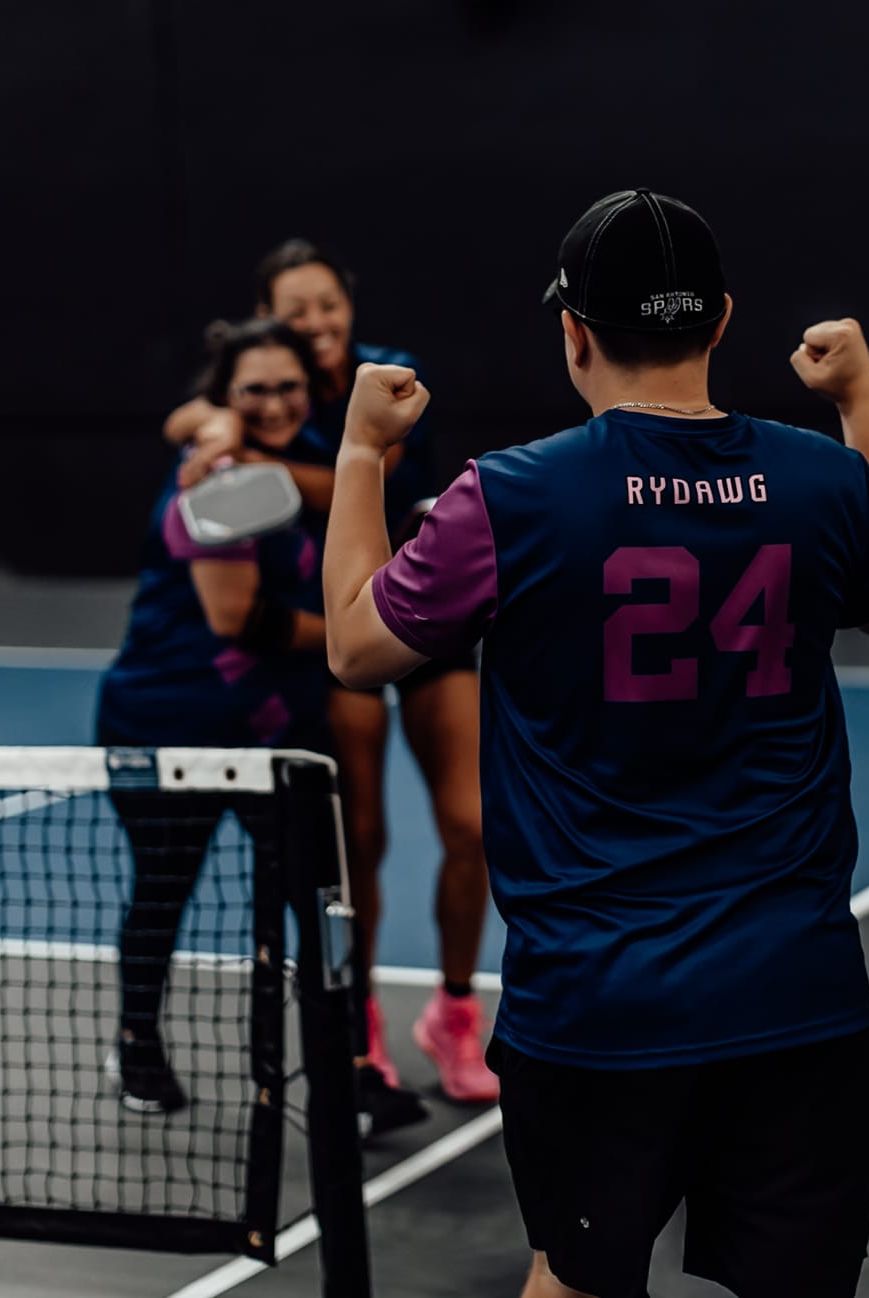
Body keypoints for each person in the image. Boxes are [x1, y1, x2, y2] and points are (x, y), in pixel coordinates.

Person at [321, 189, 869, 1298]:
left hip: (596, 1004)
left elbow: (357, 652)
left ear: (573, 331)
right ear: (723, 319)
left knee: (577, 1275)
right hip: (794, 991)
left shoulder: (506, 498)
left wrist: (361, 449)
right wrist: (861, 398)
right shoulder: (821, 479)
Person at [166, 241, 497, 1105]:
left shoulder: (387, 378)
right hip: (342, 622)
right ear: (273, 316)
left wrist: (252, 459)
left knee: (471, 825)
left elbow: (375, 469)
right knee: (363, 843)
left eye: (326, 305)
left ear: (350, 309)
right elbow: (188, 419)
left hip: (426, 607)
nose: (315, 322)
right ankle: (364, 1029)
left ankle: (455, 1013)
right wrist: (212, 428)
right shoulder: (271, 390)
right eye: (295, 308)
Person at [98, 318, 418, 1134]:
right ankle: (136, 1042)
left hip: (275, 719)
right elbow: (235, 616)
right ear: (225, 398)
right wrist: (368, 631)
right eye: (253, 390)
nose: (273, 402)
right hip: (173, 717)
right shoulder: (220, 476)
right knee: (165, 889)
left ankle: (346, 1069)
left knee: (315, 895)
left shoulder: (311, 452)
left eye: (286, 385)